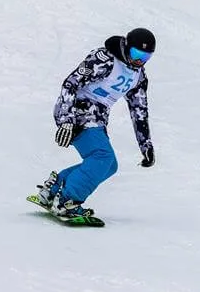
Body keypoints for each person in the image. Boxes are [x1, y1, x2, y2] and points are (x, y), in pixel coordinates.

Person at [33, 28, 156, 218]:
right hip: (76, 110)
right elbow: (70, 83)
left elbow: (139, 110)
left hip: (97, 117)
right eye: (136, 54)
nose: (139, 60)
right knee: (102, 157)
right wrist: (67, 121)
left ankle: (52, 190)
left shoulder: (138, 76)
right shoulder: (105, 60)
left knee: (109, 165)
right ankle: (67, 201)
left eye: (145, 57)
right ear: (126, 46)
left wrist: (146, 145)